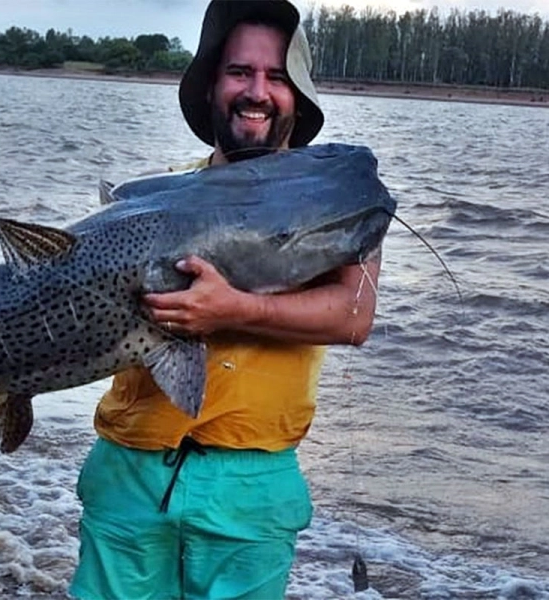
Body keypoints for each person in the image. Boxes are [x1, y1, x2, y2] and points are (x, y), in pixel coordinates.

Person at [69, 1, 381, 599]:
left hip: (252, 482)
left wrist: (234, 310)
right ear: (211, 84)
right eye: (240, 72)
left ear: (299, 95)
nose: (257, 91)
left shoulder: (337, 199)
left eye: (276, 76)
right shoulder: (155, 194)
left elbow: (353, 315)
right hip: (129, 465)